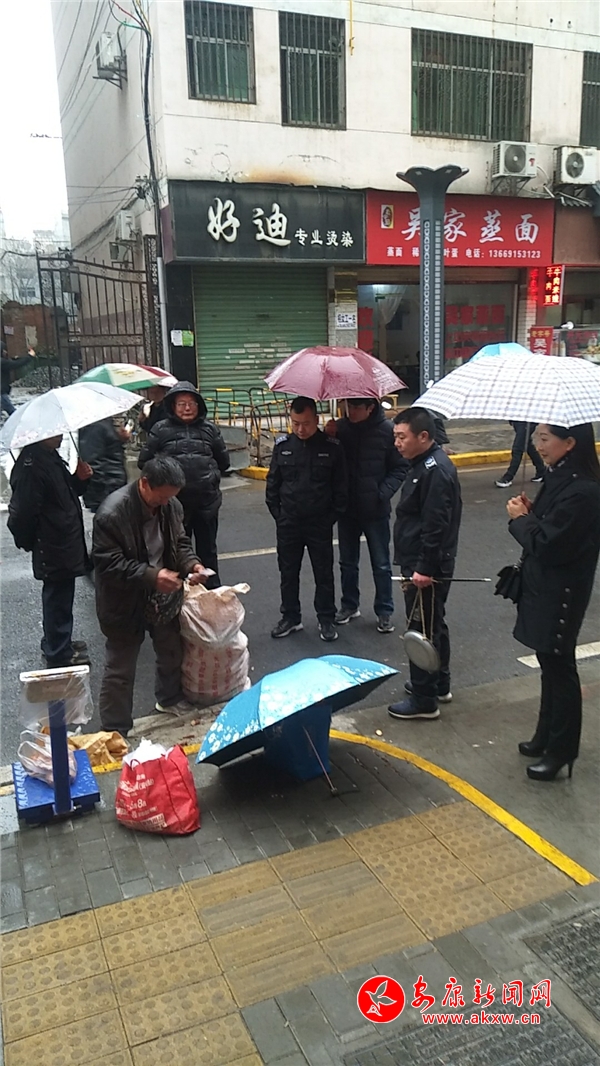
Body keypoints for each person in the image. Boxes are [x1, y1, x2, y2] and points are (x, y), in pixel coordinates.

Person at [505, 423, 600, 781]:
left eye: (545, 438)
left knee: (560, 667)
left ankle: (562, 751)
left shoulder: (584, 490)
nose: (538, 445)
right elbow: (549, 526)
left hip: (563, 590)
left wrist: (521, 520)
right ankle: (545, 736)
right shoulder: (559, 476)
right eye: (538, 438)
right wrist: (532, 512)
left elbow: (549, 543)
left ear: (570, 442)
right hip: (544, 585)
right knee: (548, 661)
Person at [92, 456, 212, 736]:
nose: (165, 502)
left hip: (164, 596)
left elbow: (180, 543)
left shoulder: (172, 506)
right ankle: (114, 728)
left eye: (171, 497)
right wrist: (151, 576)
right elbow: (108, 564)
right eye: (161, 497)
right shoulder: (111, 514)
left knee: (171, 652)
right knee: (120, 669)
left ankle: (169, 699)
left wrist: (192, 565)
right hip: (124, 601)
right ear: (145, 484)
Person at [388, 407, 462, 720]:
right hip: (421, 560)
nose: (397, 443)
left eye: (402, 437)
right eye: (395, 436)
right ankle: (438, 683)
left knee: (421, 628)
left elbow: (435, 526)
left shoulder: (435, 471)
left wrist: (424, 569)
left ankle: (424, 698)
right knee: (434, 623)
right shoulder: (424, 464)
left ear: (423, 436)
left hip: (426, 565)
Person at [266, 396, 348, 642]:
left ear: (317, 420)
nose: (301, 429)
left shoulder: (332, 447)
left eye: (306, 423)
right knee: (288, 572)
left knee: (323, 573)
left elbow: (341, 488)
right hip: (289, 522)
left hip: (319, 522)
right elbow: (273, 484)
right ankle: (291, 617)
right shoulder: (283, 446)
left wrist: (330, 518)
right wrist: (279, 515)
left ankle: (326, 618)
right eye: (295, 423)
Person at [7, 434, 93, 667]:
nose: (60, 436)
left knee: (62, 597)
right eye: (55, 433)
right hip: (53, 544)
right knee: (57, 599)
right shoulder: (32, 466)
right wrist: (29, 541)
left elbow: (62, 494)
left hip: (62, 541)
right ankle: (58, 652)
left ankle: (58, 642)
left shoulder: (49, 457)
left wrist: (79, 479)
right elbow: (22, 513)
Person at [138, 382, 230, 588]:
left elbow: (224, 462)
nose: (187, 408)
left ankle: (212, 594)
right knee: (175, 553)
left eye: (191, 403)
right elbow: (144, 462)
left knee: (208, 552)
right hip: (172, 506)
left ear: (199, 405)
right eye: (181, 404)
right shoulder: (160, 429)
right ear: (173, 406)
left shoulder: (210, 430)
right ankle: (178, 593)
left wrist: (211, 476)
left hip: (207, 504)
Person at [327, 398, 407, 633]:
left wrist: (382, 493)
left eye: (356, 408)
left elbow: (400, 467)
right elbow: (328, 459)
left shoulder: (387, 431)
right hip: (347, 509)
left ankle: (384, 610)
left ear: (370, 408)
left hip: (375, 510)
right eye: (348, 406)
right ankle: (349, 605)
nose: (350, 411)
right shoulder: (340, 428)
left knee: (381, 563)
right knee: (347, 563)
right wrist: (328, 436)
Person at [78, 417, 129, 513]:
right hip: (105, 489)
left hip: (113, 486)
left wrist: (119, 439)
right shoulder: (94, 426)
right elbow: (93, 461)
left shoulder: (104, 423)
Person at [495, 421, 545, 488]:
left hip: (527, 422)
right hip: (518, 421)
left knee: (517, 449)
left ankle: (508, 477)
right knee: (528, 446)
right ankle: (541, 471)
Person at [1, 342, 36, 417]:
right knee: (13, 413)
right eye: (4, 350)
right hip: (1, 393)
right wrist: (30, 356)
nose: (5, 352)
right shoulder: (2, 362)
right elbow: (16, 364)